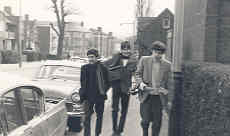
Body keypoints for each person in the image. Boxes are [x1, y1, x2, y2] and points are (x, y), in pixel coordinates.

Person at [135, 41, 173, 136]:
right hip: (146, 95)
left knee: (157, 123)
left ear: (163, 53)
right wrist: (141, 84)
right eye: (156, 52)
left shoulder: (167, 65)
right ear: (152, 51)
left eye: (160, 53)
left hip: (158, 98)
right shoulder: (144, 60)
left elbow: (169, 82)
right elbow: (137, 74)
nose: (157, 55)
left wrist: (166, 91)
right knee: (145, 121)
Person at [104, 41, 137, 136]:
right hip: (116, 87)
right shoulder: (115, 58)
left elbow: (136, 74)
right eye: (124, 49)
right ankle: (115, 130)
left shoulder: (134, 60)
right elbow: (105, 66)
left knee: (124, 110)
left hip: (127, 88)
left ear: (130, 50)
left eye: (128, 49)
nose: (126, 51)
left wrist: (135, 86)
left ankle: (120, 130)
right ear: (121, 49)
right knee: (114, 109)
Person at [79, 49, 110, 136]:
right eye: (89, 57)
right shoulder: (84, 68)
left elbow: (108, 82)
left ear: (96, 57)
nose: (90, 59)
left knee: (99, 116)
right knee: (87, 118)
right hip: (88, 97)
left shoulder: (103, 68)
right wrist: (82, 94)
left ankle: (97, 133)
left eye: (92, 57)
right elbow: (82, 83)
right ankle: (87, 134)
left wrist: (103, 90)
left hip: (99, 96)